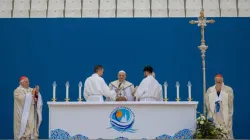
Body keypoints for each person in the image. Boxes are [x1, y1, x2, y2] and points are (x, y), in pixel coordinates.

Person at [205, 74, 234, 139]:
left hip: (224, 114)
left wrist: (221, 92)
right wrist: (215, 93)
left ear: (222, 80)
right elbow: (207, 102)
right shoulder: (210, 89)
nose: (218, 83)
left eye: (219, 82)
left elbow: (230, 102)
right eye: (217, 81)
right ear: (214, 81)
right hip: (214, 113)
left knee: (225, 132)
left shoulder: (228, 89)